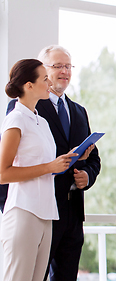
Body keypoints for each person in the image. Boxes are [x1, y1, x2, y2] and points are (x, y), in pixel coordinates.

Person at [8, 45, 101, 281]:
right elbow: (11, 163)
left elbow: (92, 157)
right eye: (58, 66)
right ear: (42, 72)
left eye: (68, 66)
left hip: (71, 210)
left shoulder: (79, 111)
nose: (65, 71)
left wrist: (86, 174)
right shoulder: (26, 108)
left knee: (64, 275)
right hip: (35, 206)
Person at [0, 59, 78, 281]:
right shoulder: (15, 119)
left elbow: (46, 165)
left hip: (46, 213)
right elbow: (3, 173)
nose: (49, 83)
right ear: (28, 85)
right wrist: (49, 167)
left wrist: (69, 159)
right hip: (24, 211)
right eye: (44, 79)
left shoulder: (41, 122)